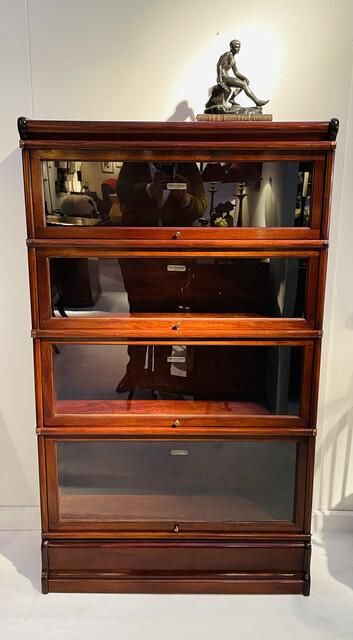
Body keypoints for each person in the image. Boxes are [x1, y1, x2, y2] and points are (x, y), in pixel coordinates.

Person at [116, 161, 207, 226]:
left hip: (177, 239)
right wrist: (149, 189)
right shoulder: (135, 161)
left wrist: (185, 199)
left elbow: (201, 207)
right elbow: (122, 192)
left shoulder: (189, 165)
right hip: (138, 236)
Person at [217, 39, 268, 108]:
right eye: (236, 47)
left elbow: (236, 72)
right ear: (231, 47)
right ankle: (257, 101)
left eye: (239, 47)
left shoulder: (233, 59)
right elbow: (219, 65)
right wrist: (220, 81)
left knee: (243, 83)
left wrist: (245, 78)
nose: (238, 49)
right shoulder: (228, 54)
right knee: (243, 84)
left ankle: (231, 99)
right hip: (223, 78)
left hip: (226, 77)